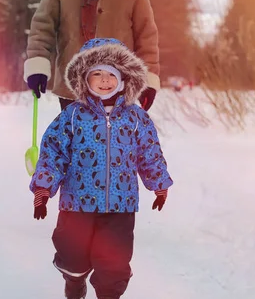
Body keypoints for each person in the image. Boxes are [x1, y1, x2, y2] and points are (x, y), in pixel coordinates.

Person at [30, 38, 173, 299]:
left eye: (111, 74)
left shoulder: (136, 117)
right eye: (97, 74)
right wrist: (43, 188)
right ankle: (74, 282)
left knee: (114, 262)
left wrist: (159, 184)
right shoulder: (72, 116)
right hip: (76, 204)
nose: (104, 80)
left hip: (120, 205)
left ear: (123, 79)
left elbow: (149, 153)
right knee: (72, 254)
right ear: (85, 79)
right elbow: (53, 152)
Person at [23, 0, 160, 111]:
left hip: (118, 90)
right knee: (73, 139)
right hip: (73, 90)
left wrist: (148, 79)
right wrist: (38, 64)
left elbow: (146, 37)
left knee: (113, 139)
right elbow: (42, 27)